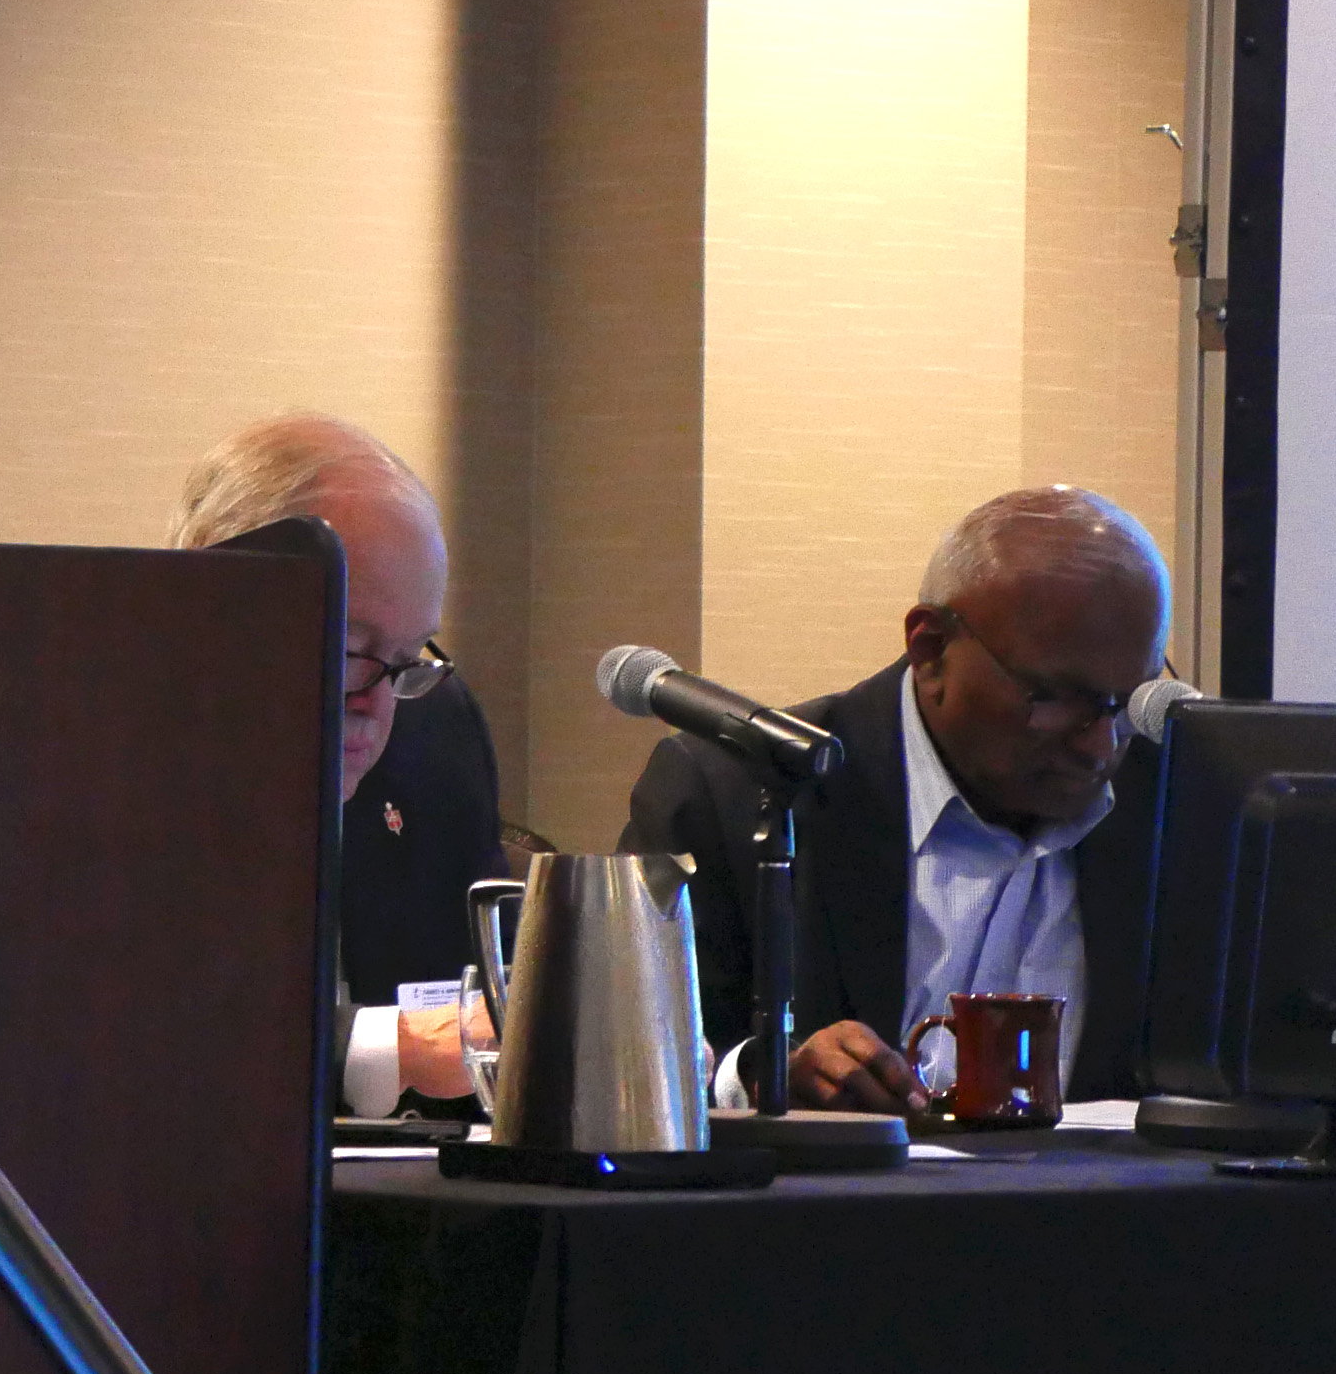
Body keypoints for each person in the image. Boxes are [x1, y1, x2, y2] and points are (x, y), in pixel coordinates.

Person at [621, 485, 1170, 1111]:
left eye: (1127, 701)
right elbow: (631, 1058)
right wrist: (759, 1077)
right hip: (827, 1178)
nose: (1100, 745)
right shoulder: (733, 794)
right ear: (930, 651)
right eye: (1053, 696)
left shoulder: (1181, 810)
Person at [169, 413, 504, 1019]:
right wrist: (392, 1049)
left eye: (408, 658)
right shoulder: (106, 771)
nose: (376, 705)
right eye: (350, 650)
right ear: (211, 601)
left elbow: (486, 1004)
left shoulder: (434, 732)